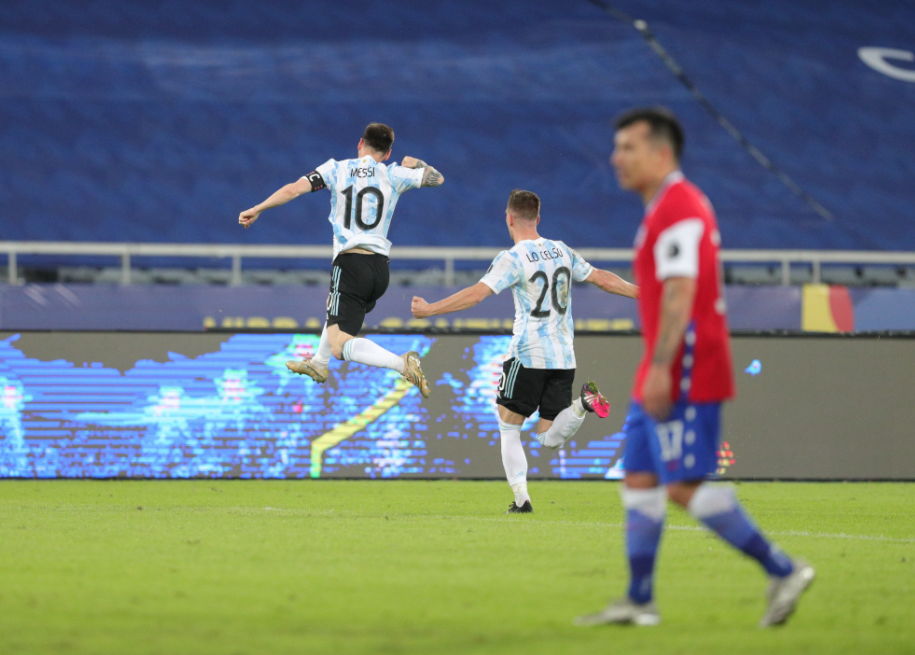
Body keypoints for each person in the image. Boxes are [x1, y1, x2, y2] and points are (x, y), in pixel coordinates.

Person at [576, 108, 814, 628]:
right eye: (616, 147)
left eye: (628, 148)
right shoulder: (663, 207)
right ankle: (639, 600)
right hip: (662, 364)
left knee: (682, 484)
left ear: (662, 153)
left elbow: (682, 290)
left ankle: (784, 569)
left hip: (685, 364)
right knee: (639, 477)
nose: (616, 157)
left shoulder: (680, 207)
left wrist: (663, 367)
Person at [410, 189, 638, 513]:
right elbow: (601, 278)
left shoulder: (513, 258)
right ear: (538, 218)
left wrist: (431, 309)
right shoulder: (561, 250)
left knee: (508, 425)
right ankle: (581, 405)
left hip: (528, 354)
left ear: (509, 218)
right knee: (548, 437)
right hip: (564, 357)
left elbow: (477, 294)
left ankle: (522, 500)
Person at [239, 123, 442, 397]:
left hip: (350, 264)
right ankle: (318, 364)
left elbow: (292, 189)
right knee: (335, 313)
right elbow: (436, 178)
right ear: (388, 151)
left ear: (360, 143)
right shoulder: (394, 173)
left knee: (340, 345)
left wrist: (257, 208)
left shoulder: (336, 169)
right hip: (379, 270)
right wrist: (416, 163)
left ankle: (401, 363)